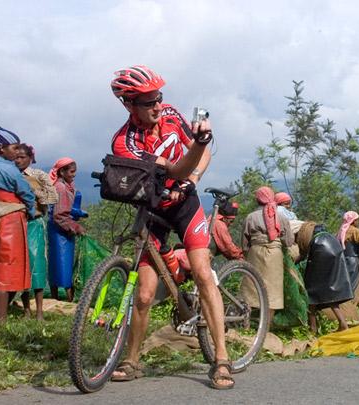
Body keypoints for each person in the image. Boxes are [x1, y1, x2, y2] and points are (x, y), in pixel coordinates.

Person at [108, 65, 233, 389]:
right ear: (129, 105)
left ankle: (221, 359)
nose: (157, 106)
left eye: (159, 98)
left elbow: (196, 160)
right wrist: (195, 152)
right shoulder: (125, 142)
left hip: (186, 206)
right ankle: (132, 360)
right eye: (148, 102)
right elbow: (176, 166)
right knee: (145, 294)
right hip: (154, 211)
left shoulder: (172, 116)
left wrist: (194, 175)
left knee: (204, 273)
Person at [0, 127, 36, 321]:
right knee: (7, 265)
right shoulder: (9, 169)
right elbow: (26, 192)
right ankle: (1, 318)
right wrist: (31, 209)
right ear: (2, 148)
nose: (17, 151)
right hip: (10, 219)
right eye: (14, 147)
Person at [14, 144, 58, 320]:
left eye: (22, 157)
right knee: (22, 265)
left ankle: (39, 310)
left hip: (34, 224)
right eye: (16, 157)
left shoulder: (38, 175)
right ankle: (26, 309)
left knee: (37, 263)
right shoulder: (11, 175)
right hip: (17, 224)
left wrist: (34, 191)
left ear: (30, 158)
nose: (18, 160)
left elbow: (53, 197)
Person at [242, 186, 295, 327]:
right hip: (275, 255)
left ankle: (246, 323)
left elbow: (245, 242)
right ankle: (266, 326)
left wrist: (248, 254)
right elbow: (289, 241)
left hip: (255, 253)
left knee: (251, 287)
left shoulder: (251, 217)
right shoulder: (281, 217)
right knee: (273, 289)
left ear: (257, 200)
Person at [47, 157, 85, 302]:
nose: (74, 175)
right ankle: (63, 299)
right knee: (61, 263)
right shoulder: (60, 188)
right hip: (59, 232)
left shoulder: (68, 185)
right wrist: (76, 227)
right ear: (62, 172)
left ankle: (58, 296)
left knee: (61, 263)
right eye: (71, 172)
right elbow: (59, 215)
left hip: (64, 230)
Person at [303, 224, 352, 332]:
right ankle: (343, 323)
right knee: (331, 295)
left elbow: (305, 257)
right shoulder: (331, 238)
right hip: (335, 263)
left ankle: (313, 327)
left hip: (321, 261)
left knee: (311, 295)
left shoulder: (315, 239)